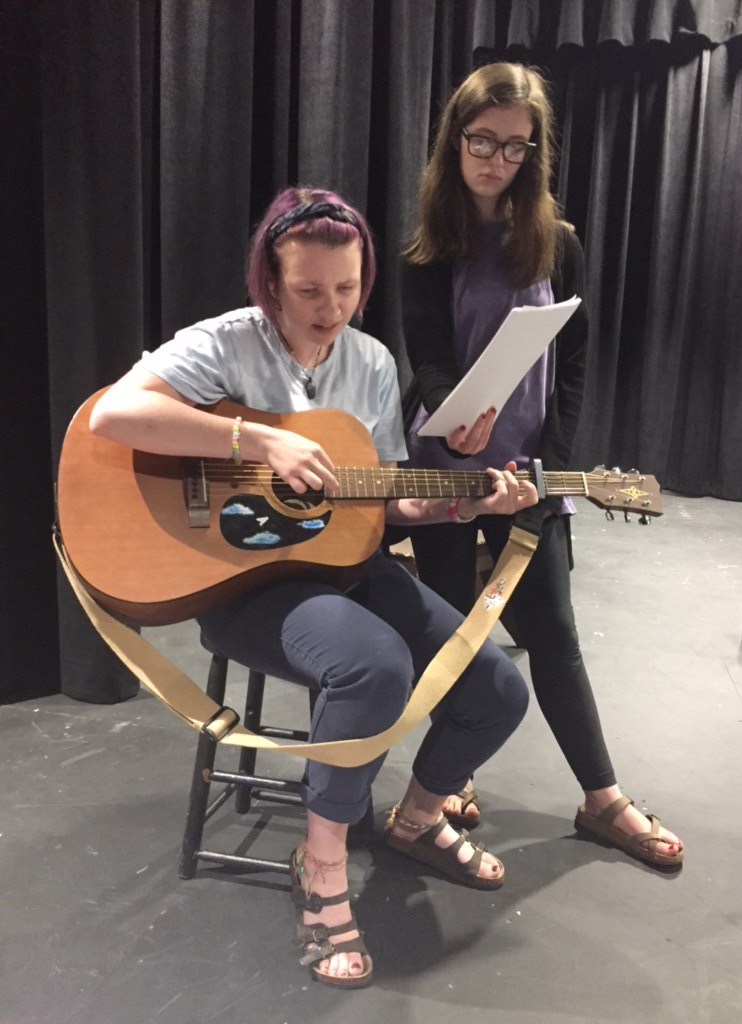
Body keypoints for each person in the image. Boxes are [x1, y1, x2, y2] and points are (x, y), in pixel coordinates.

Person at [89, 186, 539, 989]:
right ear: (271, 280)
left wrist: (465, 497)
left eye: (346, 289)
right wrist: (255, 437)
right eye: (308, 291)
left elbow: (388, 498)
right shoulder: (228, 343)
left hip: (344, 566)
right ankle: (320, 864)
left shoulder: (368, 363)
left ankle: (418, 819)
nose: (330, 308)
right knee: (373, 666)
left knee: (498, 687)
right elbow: (112, 419)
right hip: (240, 584)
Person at [400, 62, 684, 868]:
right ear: (456, 140)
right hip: (449, 475)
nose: (496, 159)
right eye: (482, 141)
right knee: (454, 633)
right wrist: (456, 425)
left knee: (554, 633)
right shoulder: (427, 252)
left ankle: (603, 799)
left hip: (529, 474)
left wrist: (551, 466)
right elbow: (424, 363)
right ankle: (450, 780)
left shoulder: (559, 245)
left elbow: (577, 360)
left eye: (516, 147)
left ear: (534, 154)